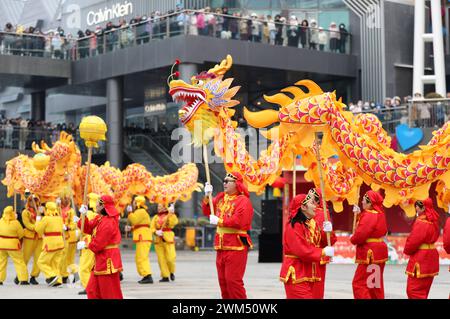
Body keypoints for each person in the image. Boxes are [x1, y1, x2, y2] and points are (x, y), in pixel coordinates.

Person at [202, 172, 253, 299]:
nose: (224, 183)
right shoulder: (221, 198)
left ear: (237, 184)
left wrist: (219, 221)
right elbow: (207, 211)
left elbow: (239, 221)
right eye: (224, 180)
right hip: (221, 246)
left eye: (228, 181)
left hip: (236, 245)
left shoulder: (243, 201)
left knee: (233, 281)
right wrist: (207, 196)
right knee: (223, 282)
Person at [280, 193, 334, 298]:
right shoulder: (294, 226)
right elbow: (301, 250)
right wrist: (323, 252)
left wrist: (328, 231)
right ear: (303, 207)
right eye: (312, 203)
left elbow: (323, 242)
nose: (316, 206)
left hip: (309, 272)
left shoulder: (309, 225)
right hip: (296, 272)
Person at [77, 195, 123, 299]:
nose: (96, 205)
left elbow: (99, 243)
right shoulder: (100, 218)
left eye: (98, 203)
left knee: (109, 293)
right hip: (100, 259)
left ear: (102, 206)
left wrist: (86, 244)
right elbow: (87, 228)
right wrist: (83, 215)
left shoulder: (108, 222)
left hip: (107, 259)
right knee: (92, 290)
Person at [351, 191, 388, 299]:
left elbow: (361, 234)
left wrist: (353, 239)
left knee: (359, 284)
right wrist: (359, 214)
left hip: (369, 253)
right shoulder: (380, 214)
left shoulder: (369, 215)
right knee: (374, 285)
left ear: (370, 203)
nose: (362, 202)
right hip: (378, 252)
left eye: (364, 200)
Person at [404, 199, 440, 299]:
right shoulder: (434, 221)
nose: (415, 208)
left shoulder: (421, 222)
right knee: (424, 289)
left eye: (417, 206)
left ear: (423, 208)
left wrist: (407, 250)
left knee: (413, 290)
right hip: (431, 257)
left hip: (421, 257)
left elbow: (413, 241)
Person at [308, 188, 337, 299]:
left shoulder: (322, 213)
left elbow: (328, 238)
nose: (307, 198)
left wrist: (328, 232)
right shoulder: (305, 211)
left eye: (310, 197)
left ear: (316, 201)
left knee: (316, 287)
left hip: (317, 253)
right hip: (306, 253)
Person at [125, 196, 154, 284]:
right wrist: (131, 228)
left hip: (143, 237)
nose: (133, 204)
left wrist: (129, 212)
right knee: (139, 257)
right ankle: (145, 275)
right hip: (142, 237)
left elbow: (134, 220)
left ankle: (148, 275)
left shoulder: (140, 211)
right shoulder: (140, 212)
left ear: (138, 203)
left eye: (134, 202)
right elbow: (139, 224)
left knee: (142, 257)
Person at [35, 202, 65, 287]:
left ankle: (51, 276)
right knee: (55, 263)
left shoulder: (46, 218)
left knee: (41, 262)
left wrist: (38, 219)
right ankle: (58, 281)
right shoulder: (59, 218)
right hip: (60, 242)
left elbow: (38, 229)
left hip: (50, 243)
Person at [0, 206, 29, 285]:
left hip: (1, 245)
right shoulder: (16, 223)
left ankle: (0, 279)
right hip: (13, 245)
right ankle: (23, 279)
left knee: (1, 262)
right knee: (19, 261)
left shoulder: (1, 221)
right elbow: (21, 234)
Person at [151, 203, 179, 282]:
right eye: (158, 206)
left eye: (160, 206)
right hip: (158, 240)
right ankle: (165, 276)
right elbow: (151, 227)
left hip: (168, 239)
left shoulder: (169, 215)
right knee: (161, 259)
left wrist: (172, 213)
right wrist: (156, 232)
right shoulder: (155, 217)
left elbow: (174, 222)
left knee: (170, 258)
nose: (158, 208)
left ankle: (171, 271)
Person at [77, 193, 98, 295]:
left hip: (87, 242)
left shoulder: (88, 214)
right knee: (90, 267)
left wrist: (81, 217)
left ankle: (88, 287)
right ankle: (91, 287)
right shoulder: (97, 214)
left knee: (83, 268)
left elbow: (84, 228)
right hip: (92, 242)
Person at [21, 195, 43, 285]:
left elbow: (46, 221)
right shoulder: (25, 212)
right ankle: (21, 276)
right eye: (31, 200)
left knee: (38, 258)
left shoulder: (41, 211)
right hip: (29, 237)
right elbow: (27, 224)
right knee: (25, 257)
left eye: (35, 200)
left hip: (40, 237)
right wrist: (36, 227)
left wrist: (42, 214)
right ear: (28, 201)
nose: (33, 202)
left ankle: (34, 276)